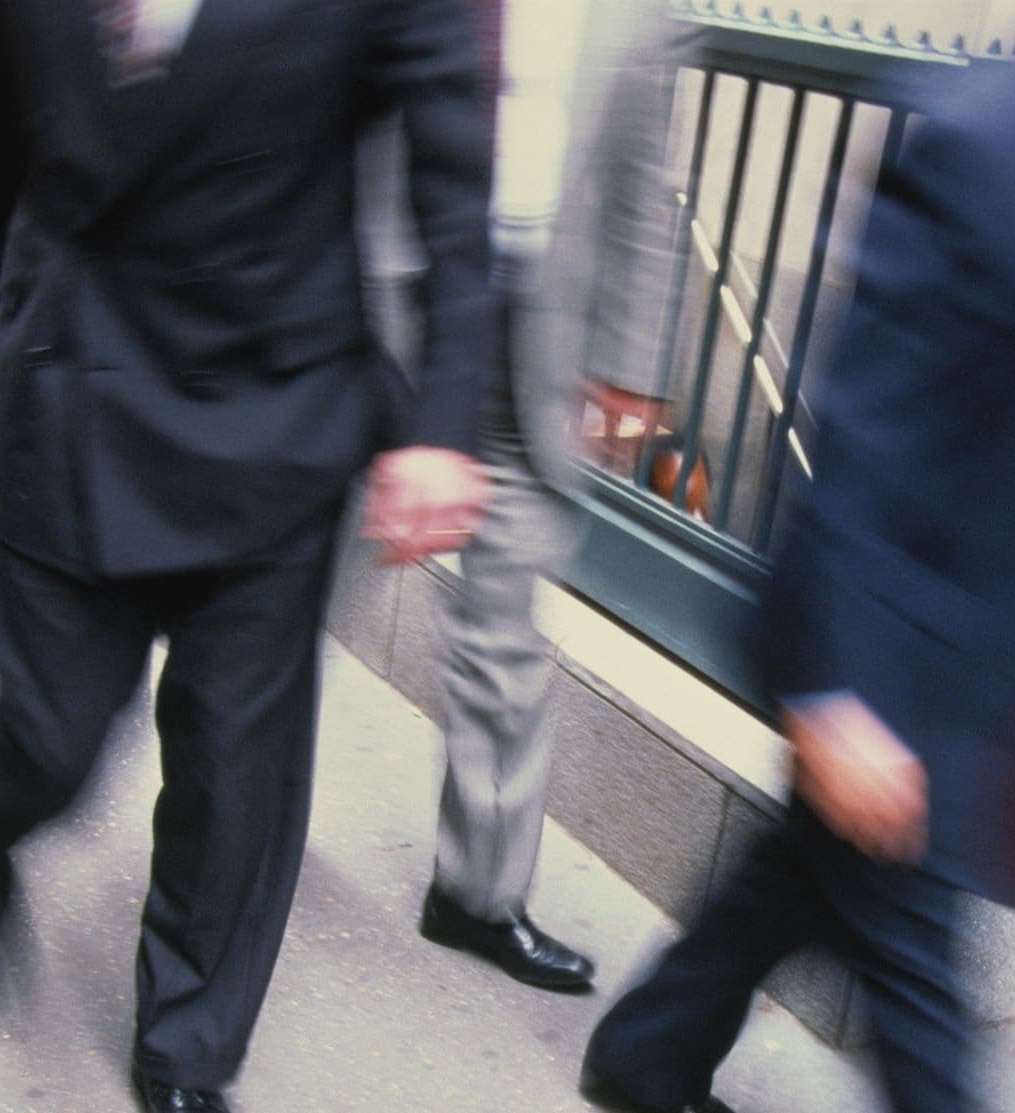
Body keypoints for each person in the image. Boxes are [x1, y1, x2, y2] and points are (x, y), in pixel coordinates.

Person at [580, 2, 1015, 1111]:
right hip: (910, 666)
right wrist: (834, 692)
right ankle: (645, 1055)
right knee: (927, 1016)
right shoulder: (985, 139)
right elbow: (875, 433)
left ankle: (646, 1055)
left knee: (800, 881)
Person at [0, 2, 495, 1110]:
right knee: (48, 737)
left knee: (234, 765)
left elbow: (451, 182)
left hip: (275, 403)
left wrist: (442, 423)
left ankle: (187, 1054)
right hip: (73, 386)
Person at [407, 0, 685, 995]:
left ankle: (476, 894)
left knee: (506, 639)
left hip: (531, 348)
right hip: (389, 316)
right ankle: (220, 837)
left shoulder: (634, 17)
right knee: (284, 601)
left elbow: (647, 198)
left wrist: (628, 366)